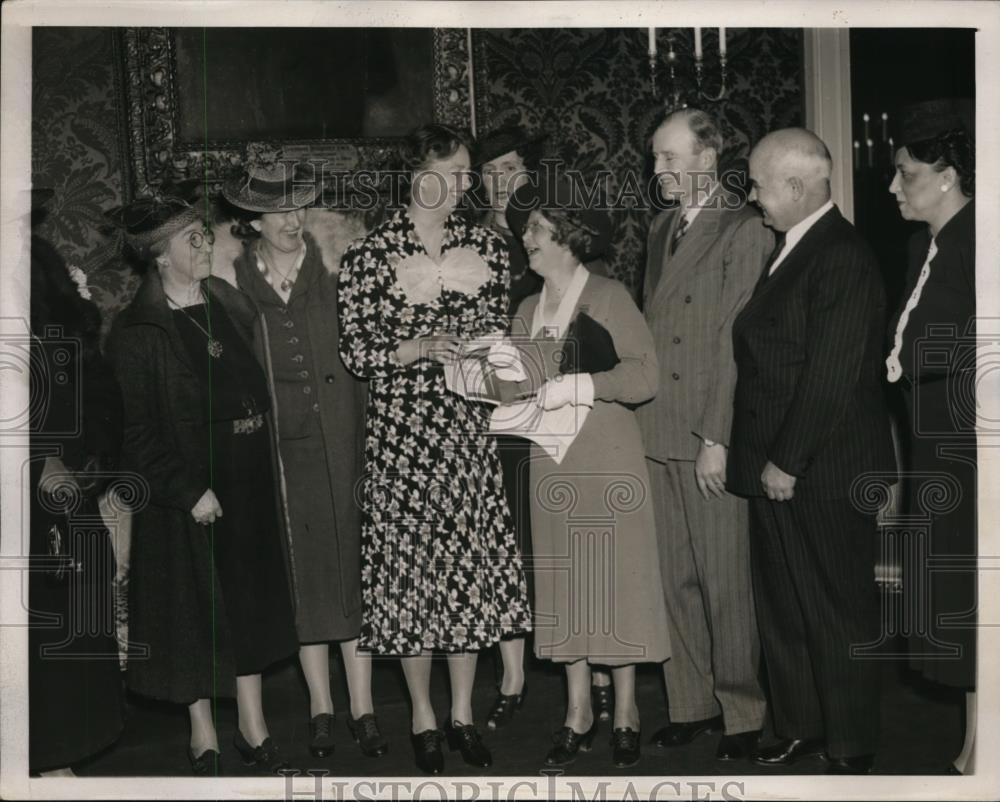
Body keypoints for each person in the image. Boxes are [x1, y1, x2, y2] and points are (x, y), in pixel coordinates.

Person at [337, 123, 532, 775]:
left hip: (465, 436)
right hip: (403, 441)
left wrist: (492, 356)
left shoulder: (488, 248)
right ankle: (421, 713)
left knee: (465, 576)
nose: (461, 185)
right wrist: (416, 348)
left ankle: (463, 714)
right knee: (413, 579)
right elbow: (357, 351)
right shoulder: (368, 256)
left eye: (466, 173)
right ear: (413, 175)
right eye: (448, 172)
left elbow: (504, 337)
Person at [107, 190, 299, 775]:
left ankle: (252, 722)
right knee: (194, 612)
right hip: (190, 493)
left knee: (249, 605)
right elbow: (134, 437)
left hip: (247, 480)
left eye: (204, 233)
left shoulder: (224, 299)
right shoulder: (138, 332)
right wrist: (188, 490)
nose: (206, 243)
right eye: (191, 239)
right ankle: (202, 731)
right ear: (159, 256)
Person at [728, 128, 896, 774]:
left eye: (761, 185)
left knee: (836, 607)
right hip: (778, 466)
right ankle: (799, 723)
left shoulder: (843, 256)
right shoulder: (793, 246)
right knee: (785, 606)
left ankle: (851, 744)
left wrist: (786, 461)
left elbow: (830, 374)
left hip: (819, 470)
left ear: (796, 187)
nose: (754, 197)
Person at [497, 179, 671, 769]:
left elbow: (646, 376)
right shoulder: (525, 308)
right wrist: (488, 376)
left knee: (613, 581)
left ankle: (625, 709)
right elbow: (514, 385)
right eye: (526, 231)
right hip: (551, 463)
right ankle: (577, 709)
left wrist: (588, 384)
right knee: (567, 585)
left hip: (608, 457)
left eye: (536, 231)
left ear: (567, 240)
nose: (526, 240)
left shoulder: (609, 296)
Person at [221, 163, 387, 760]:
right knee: (305, 577)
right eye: (279, 212)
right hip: (281, 457)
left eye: (299, 208)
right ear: (252, 221)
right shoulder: (234, 286)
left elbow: (368, 366)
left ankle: (363, 707)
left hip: (343, 444)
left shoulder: (340, 275)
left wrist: (371, 447)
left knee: (352, 573)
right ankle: (321, 705)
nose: (293, 221)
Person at [637, 108, 771, 761]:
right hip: (656, 426)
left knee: (724, 580)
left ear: (706, 157)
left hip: (704, 430)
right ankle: (690, 703)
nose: (657, 170)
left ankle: (743, 713)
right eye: (657, 159)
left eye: (667, 158)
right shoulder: (662, 226)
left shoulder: (743, 230)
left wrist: (717, 436)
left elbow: (732, 343)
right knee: (675, 579)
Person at [473, 125, 615, 728]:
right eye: (491, 171)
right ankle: (513, 673)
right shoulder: (470, 240)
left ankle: (602, 672)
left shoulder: (559, 226)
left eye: (512, 168)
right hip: (500, 404)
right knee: (512, 535)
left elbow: (597, 315)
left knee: (576, 534)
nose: (503, 180)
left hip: (564, 405)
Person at [885, 98, 976, 774]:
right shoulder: (923, 245)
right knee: (957, 606)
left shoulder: (984, 243)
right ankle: (976, 743)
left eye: (906, 173)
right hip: (932, 445)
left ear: (948, 176)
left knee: (978, 602)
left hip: (976, 454)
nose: (893, 187)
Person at [28, 190, 125, 776]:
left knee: (78, 605)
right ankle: (41, 755)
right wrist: (38, 458)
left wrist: (92, 454)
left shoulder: (42, 264)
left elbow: (82, 364)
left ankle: (65, 750)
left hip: (67, 473)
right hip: (26, 477)